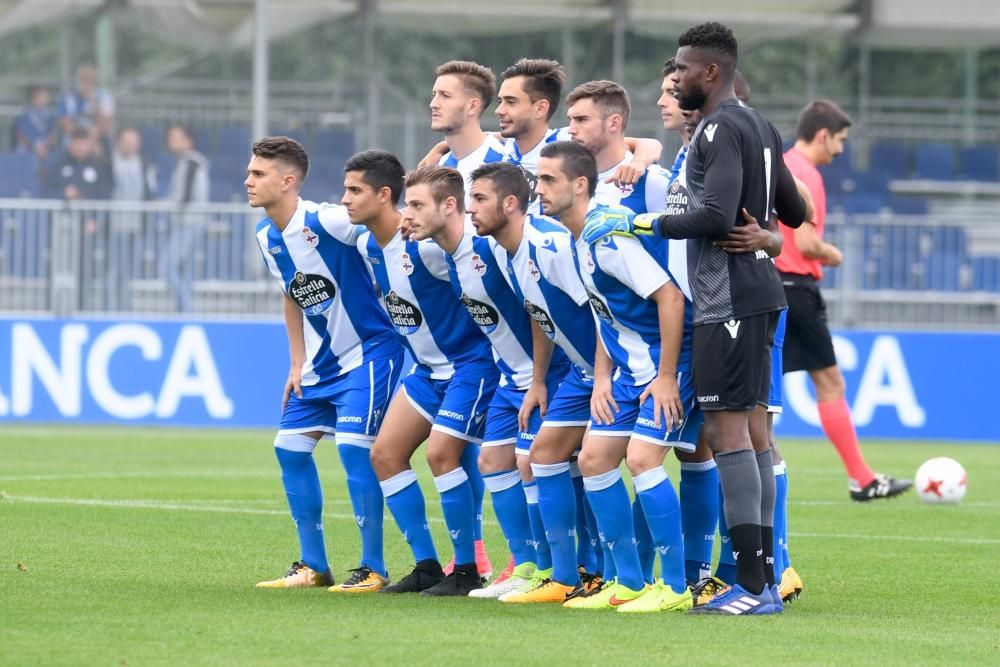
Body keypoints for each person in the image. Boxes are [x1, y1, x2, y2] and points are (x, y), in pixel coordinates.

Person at [584, 22, 808, 615]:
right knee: (752, 438)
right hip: (752, 295)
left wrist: (637, 224)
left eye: (680, 70)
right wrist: (767, 233)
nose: (674, 79)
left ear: (709, 72)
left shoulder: (717, 127)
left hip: (726, 300)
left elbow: (711, 215)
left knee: (731, 437)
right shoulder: (759, 124)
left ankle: (757, 590)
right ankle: (759, 581)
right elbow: (797, 209)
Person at [247, 137, 404, 591]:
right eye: (250, 172)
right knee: (288, 449)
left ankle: (373, 567)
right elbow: (291, 295)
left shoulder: (330, 220)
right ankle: (312, 565)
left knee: (355, 450)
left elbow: (386, 228)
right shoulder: (265, 237)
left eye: (258, 174)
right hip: (318, 368)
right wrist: (296, 362)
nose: (248, 181)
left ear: (288, 181)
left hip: (369, 353)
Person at [343, 153, 499, 596]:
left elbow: (479, 282)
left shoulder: (430, 250)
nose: (346, 200)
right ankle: (427, 566)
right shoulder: (367, 246)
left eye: (355, 191)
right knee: (385, 455)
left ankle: (467, 569)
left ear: (384, 196)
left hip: (471, 366)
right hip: (428, 373)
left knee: (442, 455)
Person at [466, 158, 599, 603]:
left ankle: (594, 574)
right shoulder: (507, 252)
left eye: (480, 199)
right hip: (576, 375)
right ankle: (565, 575)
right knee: (544, 458)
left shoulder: (550, 246)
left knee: (613, 463)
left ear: (509, 203)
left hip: (612, 371)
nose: (471, 209)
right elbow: (540, 317)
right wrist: (538, 379)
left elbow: (601, 311)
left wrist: (604, 376)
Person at [777, 99, 912, 502]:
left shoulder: (781, 164)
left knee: (762, 389)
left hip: (770, 285)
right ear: (822, 135)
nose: (840, 150)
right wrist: (831, 253)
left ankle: (860, 476)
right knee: (830, 382)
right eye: (840, 141)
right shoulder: (807, 174)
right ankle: (861, 478)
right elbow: (804, 241)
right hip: (796, 287)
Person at [431, 61, 506, 206]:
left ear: (472, 106)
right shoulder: (438, 165)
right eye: (435, 94)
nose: (433, 103)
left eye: (445, 96)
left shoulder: (503, 162)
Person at [160, 124, 210, 312]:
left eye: (176, 137)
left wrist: (158, 204)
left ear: (188, 141)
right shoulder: (185, 162)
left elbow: (183, 198)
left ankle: (188, 309)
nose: (171, 141)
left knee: (167, 267)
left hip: (190, 223)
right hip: (186, 223)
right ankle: (184, 311)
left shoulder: (192, 162)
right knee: (183, 270)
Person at [42, 127, 112, 200]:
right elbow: (46, 192)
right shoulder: (58, 164)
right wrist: (64, 193)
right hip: (63, 211)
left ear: (90, 145)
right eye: (75, 143)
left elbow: (106, 194)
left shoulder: (99, 166)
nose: (78, 147)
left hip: (89, 211)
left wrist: (83, 196)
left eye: (82, 144)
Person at [57, 63, 114, 149]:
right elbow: (66, 125)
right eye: (83, 78)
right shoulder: (67, 98)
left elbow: (105, 124)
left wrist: (95, 106)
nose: (86, 82)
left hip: (97, 140)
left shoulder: (105, 97)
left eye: (89, 79)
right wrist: (84, 137)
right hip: (74, 139)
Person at [13, 85, 56, 157]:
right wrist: (34, 147)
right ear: (35, 98)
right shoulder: (24, 114)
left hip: (45, 150)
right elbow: (20, 135)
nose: (46, 99)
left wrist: (46, 146)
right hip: (27, 150)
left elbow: (52, 135)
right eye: (43, 97)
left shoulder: (48, 115)